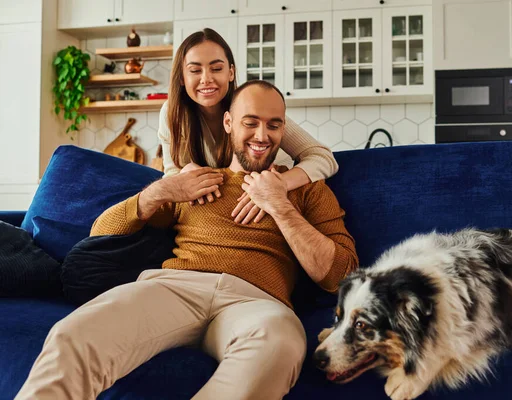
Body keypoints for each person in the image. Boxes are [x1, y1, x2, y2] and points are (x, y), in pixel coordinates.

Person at [16, 80, 359, 400]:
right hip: (174, 288)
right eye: (250, 122)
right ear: (228, 123)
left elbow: (339, 276)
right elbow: (102, 232)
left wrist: (279, 205)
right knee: (74, 335)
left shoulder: (305, 189)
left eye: (274, 125)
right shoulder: (196, 180)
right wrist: (161, 191)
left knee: (281, 344)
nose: (262, 135)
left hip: (257, 304)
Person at [159, 28, 339, 224]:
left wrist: (278, 185)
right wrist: (183, 174)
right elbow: (171, 173)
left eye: (216, 68)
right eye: (195, 70)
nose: (206, 79)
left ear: (231, 72)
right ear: (181, 78)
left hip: (267, 203)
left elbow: (322, 157)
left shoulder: (250, 104)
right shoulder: (171, 114)